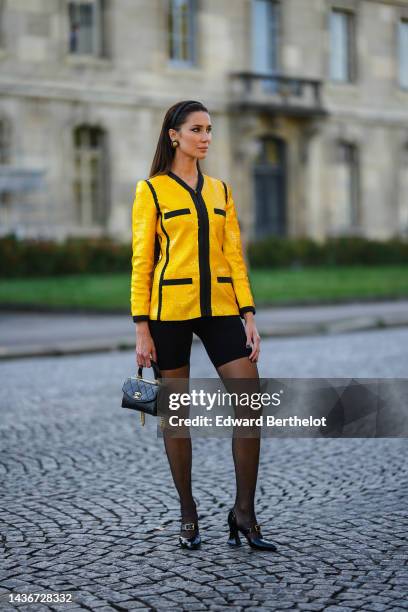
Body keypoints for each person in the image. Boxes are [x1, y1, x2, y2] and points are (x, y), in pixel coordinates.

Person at [131, 100, 277, 552]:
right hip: (168, 311)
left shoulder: (221, 191)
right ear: (174, 134)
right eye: (197, 129)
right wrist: (141, 327)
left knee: (249, 404)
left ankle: (244, 513)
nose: (206, 137)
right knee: (176, 419)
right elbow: (142, 260)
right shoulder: (152, 190)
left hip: (220, 309)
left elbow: (234, 255)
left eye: (210, 130)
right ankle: (189, 514)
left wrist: (248, 315)